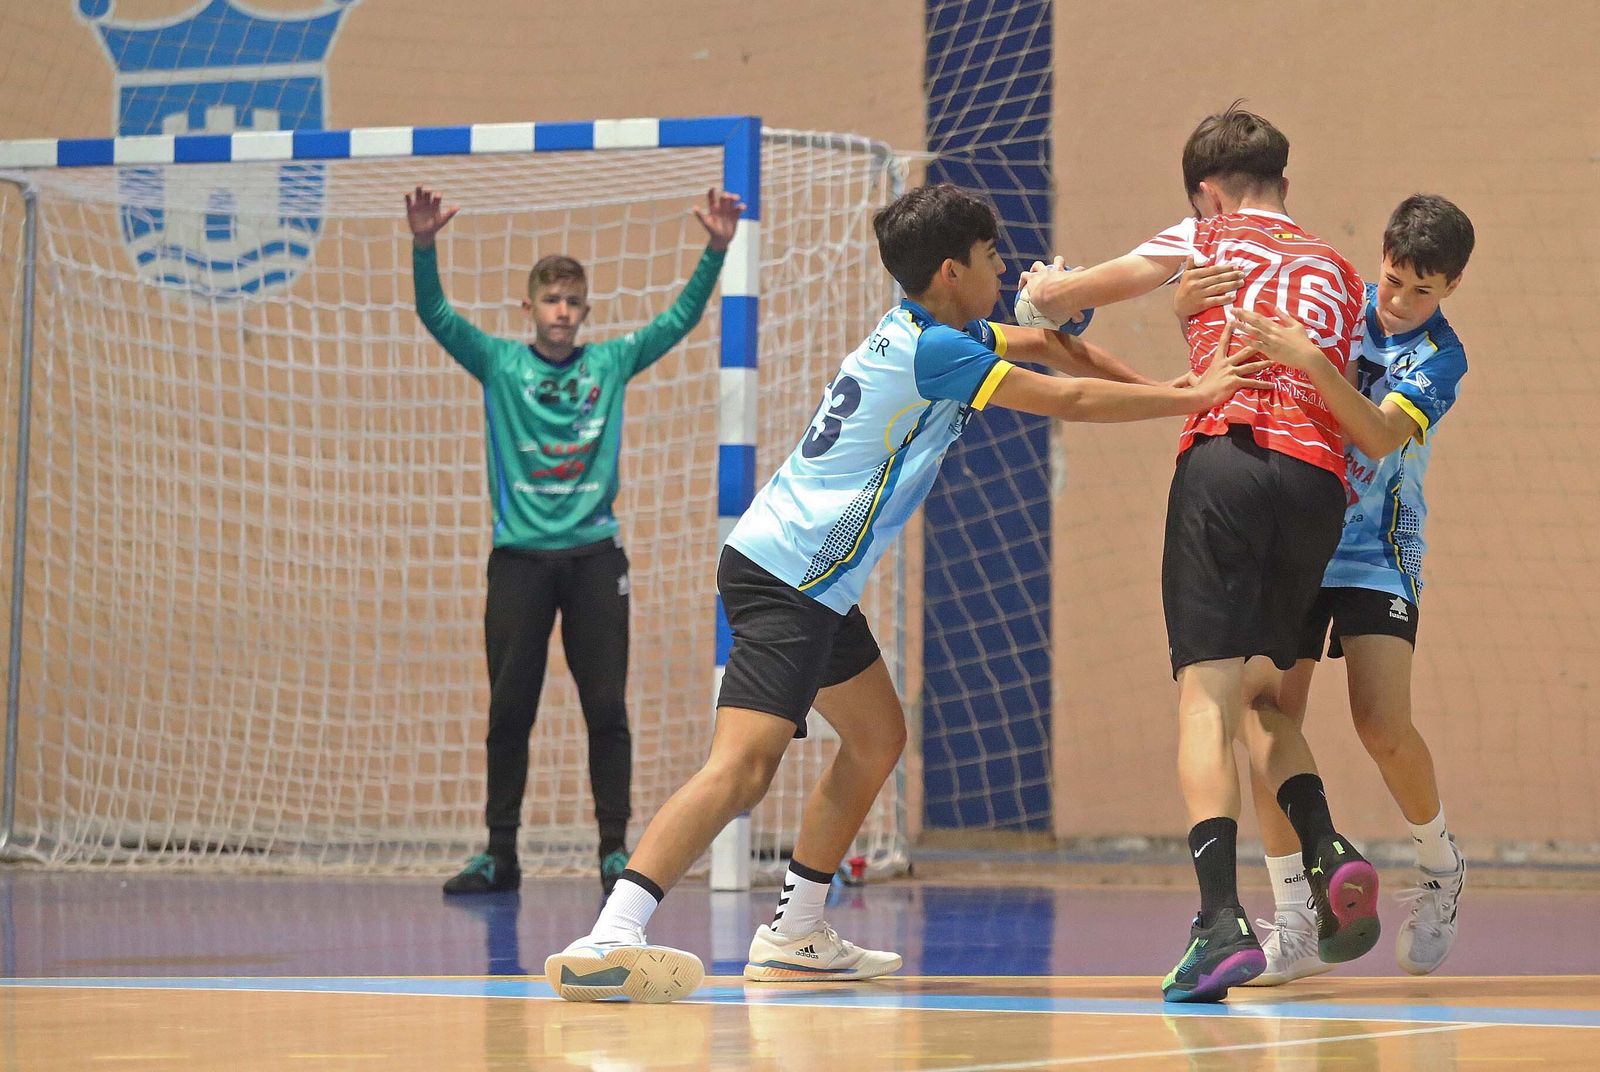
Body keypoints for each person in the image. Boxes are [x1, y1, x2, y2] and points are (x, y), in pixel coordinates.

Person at [543, 181, 1272, 1004]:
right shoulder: (940, 353)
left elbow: (1056, 352)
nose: (1007, 266)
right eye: (996, 256)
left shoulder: (947, 329)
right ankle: (614, 933)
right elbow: (1063, 398)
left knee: (876, 737)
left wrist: (1172, 390)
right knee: (744, 767)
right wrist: (1190, 398)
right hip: (793, 574)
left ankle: (792, 934)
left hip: (809, 578)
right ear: (954, 271)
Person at [1024, 104, 1377, 1002]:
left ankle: (1220, 925)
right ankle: (1327, 844)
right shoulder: (1338, 269)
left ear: (1208, 192)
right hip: (1318, 489)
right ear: (1287, 186)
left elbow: (1057, 305)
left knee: (1206, 700)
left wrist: (1050, 285)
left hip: (1228, 460)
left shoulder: (1205, 234)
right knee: (1266, 700)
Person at [406, 184, 743, 897]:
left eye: (573, 302)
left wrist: (715, 250)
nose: (562, 313)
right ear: (527, 310)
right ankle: (500, 853)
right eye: (550, 301)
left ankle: (616, 852)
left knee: (605, 709)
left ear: (585, 313)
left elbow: (678, 319)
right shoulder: (499, 364)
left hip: (594, 558)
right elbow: (435, 315)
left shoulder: (609, 364)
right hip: (519, 561)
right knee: (509, 710)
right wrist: (424, 246)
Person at [1223, 194, 1475, 984]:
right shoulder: (1338, 308)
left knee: (1381, 724)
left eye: (1420, 291)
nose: (1399, 301)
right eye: (1393, 280)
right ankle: (1296, 919)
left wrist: (1312, 363)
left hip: (1377, 549)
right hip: (1300, 537)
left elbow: (1376, 433)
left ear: (1452, 288)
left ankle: (1440, 870)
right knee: (1266, 715)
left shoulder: (1442, 358)